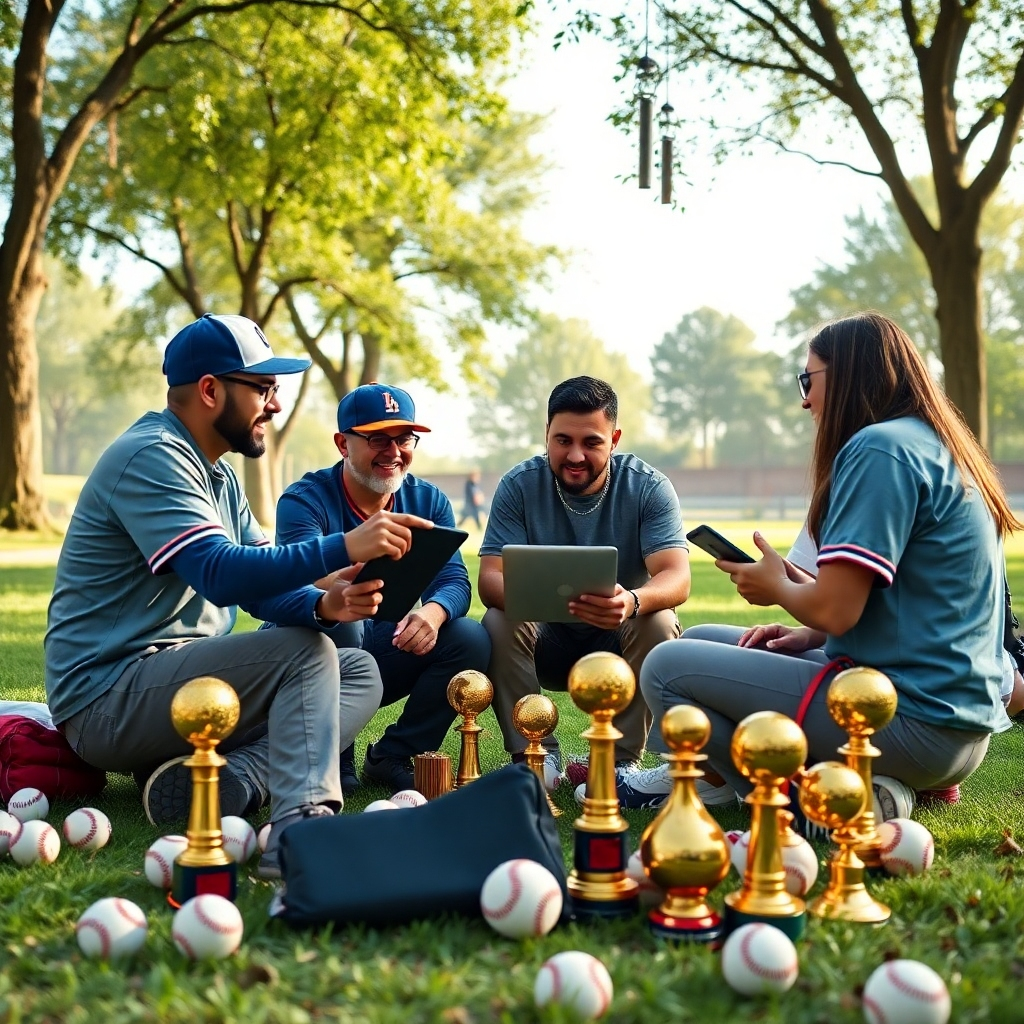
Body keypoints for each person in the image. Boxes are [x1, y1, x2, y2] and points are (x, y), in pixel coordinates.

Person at [44, 314, 432, 879]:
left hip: (174, 688)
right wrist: (345, 545)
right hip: (107, 698)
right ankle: (302, 831)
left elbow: (263, 586)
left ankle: (235, 779)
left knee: (358, 670)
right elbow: (219, 572)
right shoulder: (152, 455)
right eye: (263, 388)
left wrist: (324, 604)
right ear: (210, 390)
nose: (275, 404)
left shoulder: (218, 476)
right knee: (306, 653)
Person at [640, 312, 1019, 816]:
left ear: (846, 377)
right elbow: (892, 601)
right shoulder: (932, 443)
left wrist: (778, 588)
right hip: (951, 727)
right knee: (701, 638)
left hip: (909, 722)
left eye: (808, 380)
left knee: (664, 667)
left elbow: (837, 611)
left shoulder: (879, 448)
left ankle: (810, 802)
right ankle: (873, 785)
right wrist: (808, 630)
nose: (805, 400)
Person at [477, 376, 691, 806]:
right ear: (547, 434)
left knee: (659, 620)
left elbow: (676, 575)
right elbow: (490, 578)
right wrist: (538, 600)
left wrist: (632, 601)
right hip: (546, 642)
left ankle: (620, 763)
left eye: (591, 442)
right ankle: (535, 756)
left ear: (614, 439)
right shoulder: (519, 485)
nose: (575, 455)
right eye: (563, 440)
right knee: (498, 619)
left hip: (618, 641)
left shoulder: (648, 486)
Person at [273, 383, 491, 794]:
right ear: (343, 444)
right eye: (378, 439)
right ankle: (332, 755)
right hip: (309, 653)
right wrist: (350, 578)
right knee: (344, 615)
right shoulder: (305, 500)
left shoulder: (427, 500)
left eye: (404, 438)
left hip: (381, 643)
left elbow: (454, 581)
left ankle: (393, 755)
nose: (394, 452)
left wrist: (432, 614)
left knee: (469, 638)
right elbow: (299, 578)